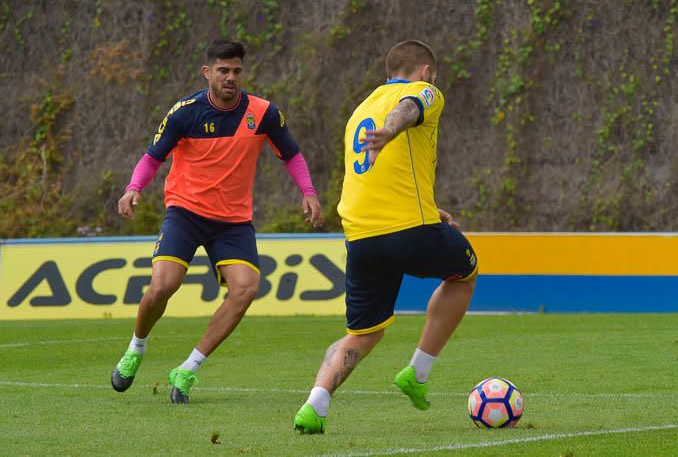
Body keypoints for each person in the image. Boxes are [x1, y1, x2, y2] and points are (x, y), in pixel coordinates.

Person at [111, 38, 323, 404]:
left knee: (246, 289)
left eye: (237, 71)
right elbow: (152, 157)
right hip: (185, 212)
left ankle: (188, 369)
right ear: (207, 72)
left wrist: (308, 191)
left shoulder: (263, 113)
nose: (231, 77)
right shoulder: (184, 112)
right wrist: (134, 188)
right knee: (163, 285)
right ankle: (136, 347)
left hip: (233, 221)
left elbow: (292, 154)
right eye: (223, 71)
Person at [293, 40, 478, 433]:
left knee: (362, 332)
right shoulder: (423, 91)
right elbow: (408, 110)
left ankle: (314, 405)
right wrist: (391, 130)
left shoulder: (359, 110)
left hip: (361, 235)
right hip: (408, 228)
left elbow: (381, 174)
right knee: (465, 273)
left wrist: (430, 206)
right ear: (426, 72)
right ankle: (418, 372)